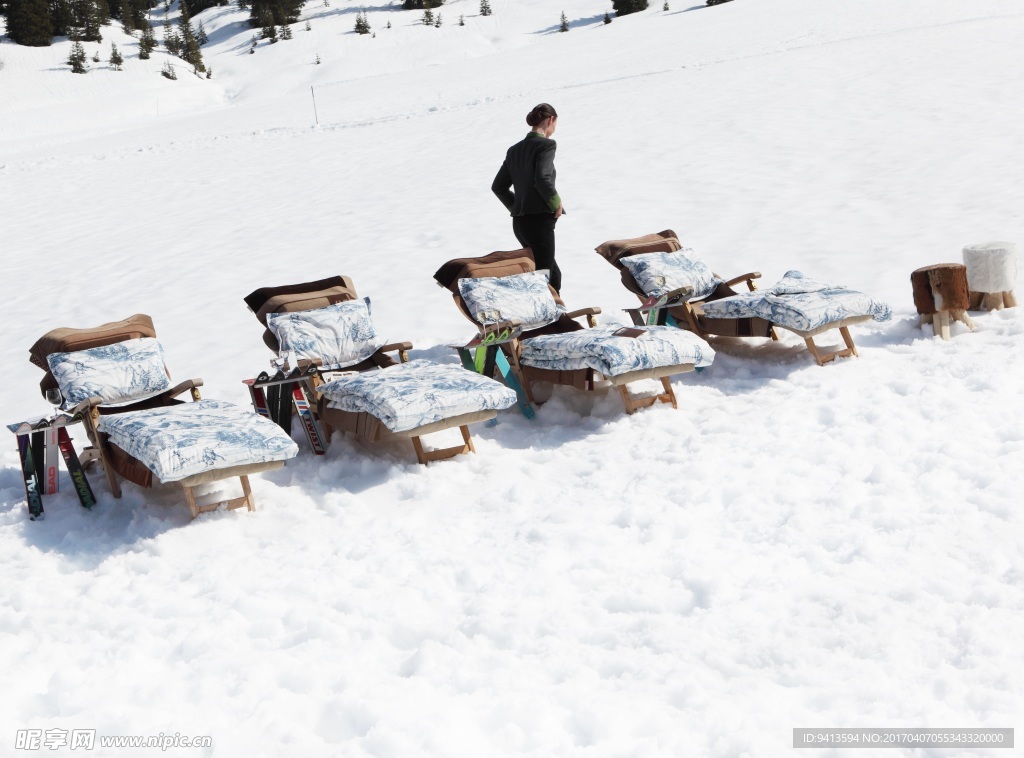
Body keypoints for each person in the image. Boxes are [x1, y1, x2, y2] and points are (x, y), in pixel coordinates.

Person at [491, 103, 565, 292]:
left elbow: (498, 187)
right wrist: (556, 203)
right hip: (540, 221)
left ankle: (552, 316)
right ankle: (550, 319)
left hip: (520, 224)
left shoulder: (514, 150)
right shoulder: (547, 145)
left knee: (549, 273)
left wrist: (518, 206)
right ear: (551, 120)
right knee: (547, 277)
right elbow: (542, 178)